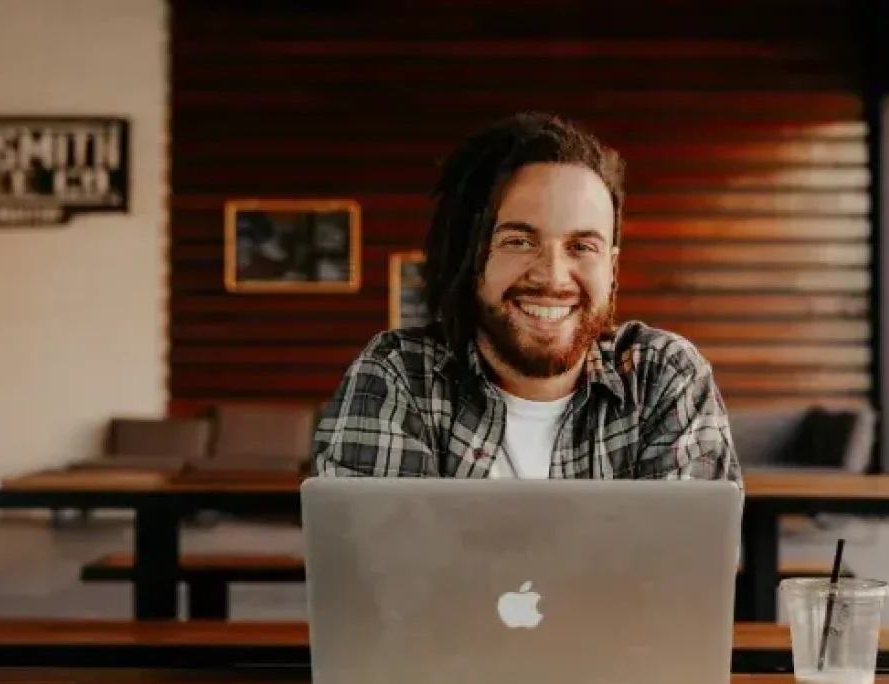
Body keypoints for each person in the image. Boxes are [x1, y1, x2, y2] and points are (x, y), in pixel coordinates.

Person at [311, 112, 740, 483]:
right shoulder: (398, 377)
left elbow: (680, 574)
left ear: (611, 266)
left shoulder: (664, 377)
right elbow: (379, 573)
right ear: (469, 253)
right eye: (519, 241)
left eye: (581, 246)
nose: (553, 276)